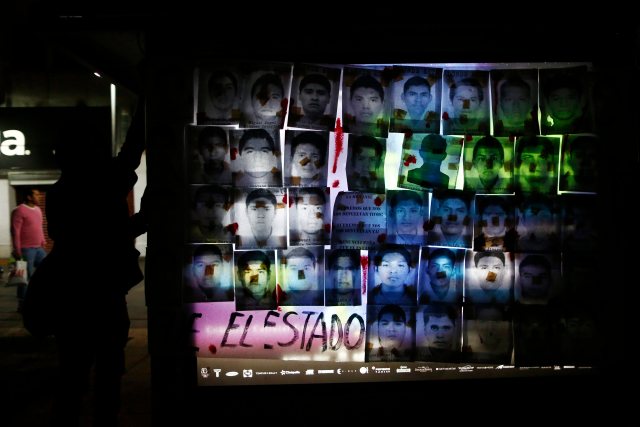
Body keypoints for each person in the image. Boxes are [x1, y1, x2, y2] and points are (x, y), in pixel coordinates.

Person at [44, 99, 147, 425]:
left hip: (69, 296)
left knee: (72, 376)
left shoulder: (59, 192)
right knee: (107, 376)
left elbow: (75, 240)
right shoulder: (100, 184)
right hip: (103, 296)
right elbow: (131, 151)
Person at [11, 187, 47, 312]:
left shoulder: (38, 209)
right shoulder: (19, 210)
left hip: (39, 248)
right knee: (25, 277)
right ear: (29, 197)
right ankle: (22, 304)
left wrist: (43, 241)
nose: (40, 197)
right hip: (26, 249)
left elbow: (39, 227)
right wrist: (17, 249)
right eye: (37, 195)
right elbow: (15, 232)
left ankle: (38, 299)